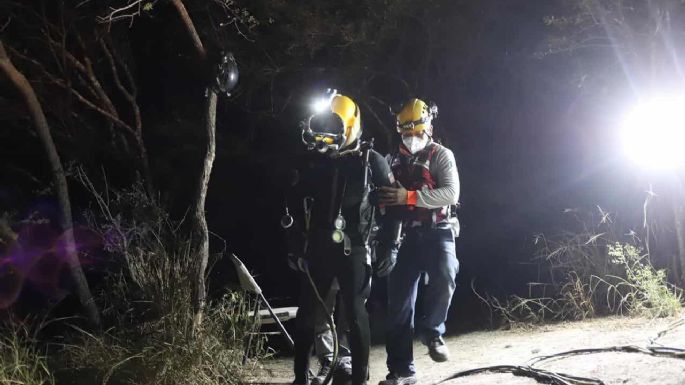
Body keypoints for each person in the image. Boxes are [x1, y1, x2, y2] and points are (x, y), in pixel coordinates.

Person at [282, 92, 399, 385]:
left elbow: (393, 207)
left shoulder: (373, 162)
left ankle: (359, 379)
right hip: (318, 246)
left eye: (334, 131)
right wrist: (295, 244)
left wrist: (390, 245)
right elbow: (292, 205)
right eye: (322, 131)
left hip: (355, 246)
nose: (326, 139)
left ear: (350, 127)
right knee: (308, 313)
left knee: (357, 315)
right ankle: (300, 378)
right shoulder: (314, 162)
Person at [377, 98, 460, 385]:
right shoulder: (390, 161)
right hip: (404, 237)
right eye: (406, 134)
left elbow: (450, 194)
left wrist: (409, 196)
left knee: (446, 274)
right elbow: (380, 200)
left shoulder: (441, 155)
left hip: (438, 231)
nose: (411, 139)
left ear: (428, 128)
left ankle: (433, 331)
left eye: (416, 133)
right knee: (398, 306)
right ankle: (401, 371)